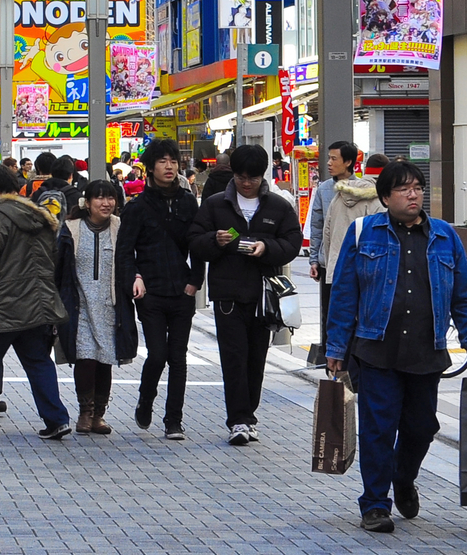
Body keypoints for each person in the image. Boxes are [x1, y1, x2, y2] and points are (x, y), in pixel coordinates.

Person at [324, 160, 467, 534]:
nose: (413, 194)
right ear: (385, 198)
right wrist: (336, 346)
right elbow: (345, 293)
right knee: (378, 428)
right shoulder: (363, 233)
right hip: (376, 349)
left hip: (425, 351)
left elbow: (463, 295)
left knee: (421, 427)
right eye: (403, 189)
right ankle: (375, 504)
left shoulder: (445, 237)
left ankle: (403, 477)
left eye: (417, 187)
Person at [189, 143, 302, 446]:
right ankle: (238, 420)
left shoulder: (278, 206)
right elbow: (195, 241)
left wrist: (267, 248)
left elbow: (292, 242)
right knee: (233, 358)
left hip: (263, 295)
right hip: (228, 294)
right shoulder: (215, 204)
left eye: (252, 178)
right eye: (241, 178)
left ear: (262, 177)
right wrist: (216, 239)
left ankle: (248, 415)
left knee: (256, 358)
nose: (246, 184)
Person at [0, 162, 75, 440]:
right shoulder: (38, 216)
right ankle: (57, 419)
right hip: (35, 303)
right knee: (38, 362)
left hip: (2, 305)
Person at [120, 139, 198, 439]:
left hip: (182, 290)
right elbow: (124, 251)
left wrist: (195, 282)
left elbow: (197, 245)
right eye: (163, 161)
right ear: (150, 167)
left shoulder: (188, 202)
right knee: (157, 355)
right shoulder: (137, 207)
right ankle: (146, 397)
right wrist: (134, 278)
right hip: (150, 291)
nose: (169, 166)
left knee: (178, 357)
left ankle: (173, 420)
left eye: (173, 161)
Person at [59, 179, 136, 435]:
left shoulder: (120, 227)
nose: (106, 203)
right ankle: (85, 411)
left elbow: (130, 261)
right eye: (100, 198)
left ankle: (99, 415)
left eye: (111, 198)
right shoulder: (71, 229)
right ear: (87, 202)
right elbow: (59, 268)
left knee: (105, 360)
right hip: (79, 305)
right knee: (85, 359)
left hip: (110, 305)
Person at [309, 141, 377, 363]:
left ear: (349, 162)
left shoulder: (366, 191)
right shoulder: (323, 189)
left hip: (353, 265)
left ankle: (348, 366)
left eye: (334, 159)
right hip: (329, 263)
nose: (328, 163)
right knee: (332, 315)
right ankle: (336, 364)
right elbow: (317, 226)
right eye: (328, 158)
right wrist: (314, 259)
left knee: (352, 317)